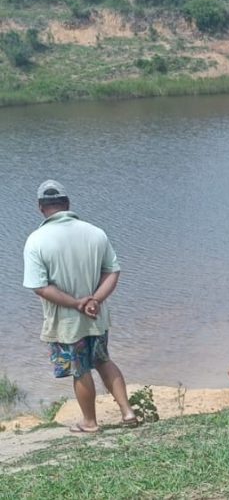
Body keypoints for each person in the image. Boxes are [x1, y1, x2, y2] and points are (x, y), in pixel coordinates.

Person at [23, 180, 136, 433]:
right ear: (67, 204)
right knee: (104, 360)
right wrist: (95, 300)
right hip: (96, 316)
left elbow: (39, 287)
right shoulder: (96, 232)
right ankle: (127, 412)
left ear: (40, 207)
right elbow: (112, 271)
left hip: (66, 322)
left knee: (80, 369)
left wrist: (76, 303)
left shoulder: (36, 240)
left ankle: (89, 422)